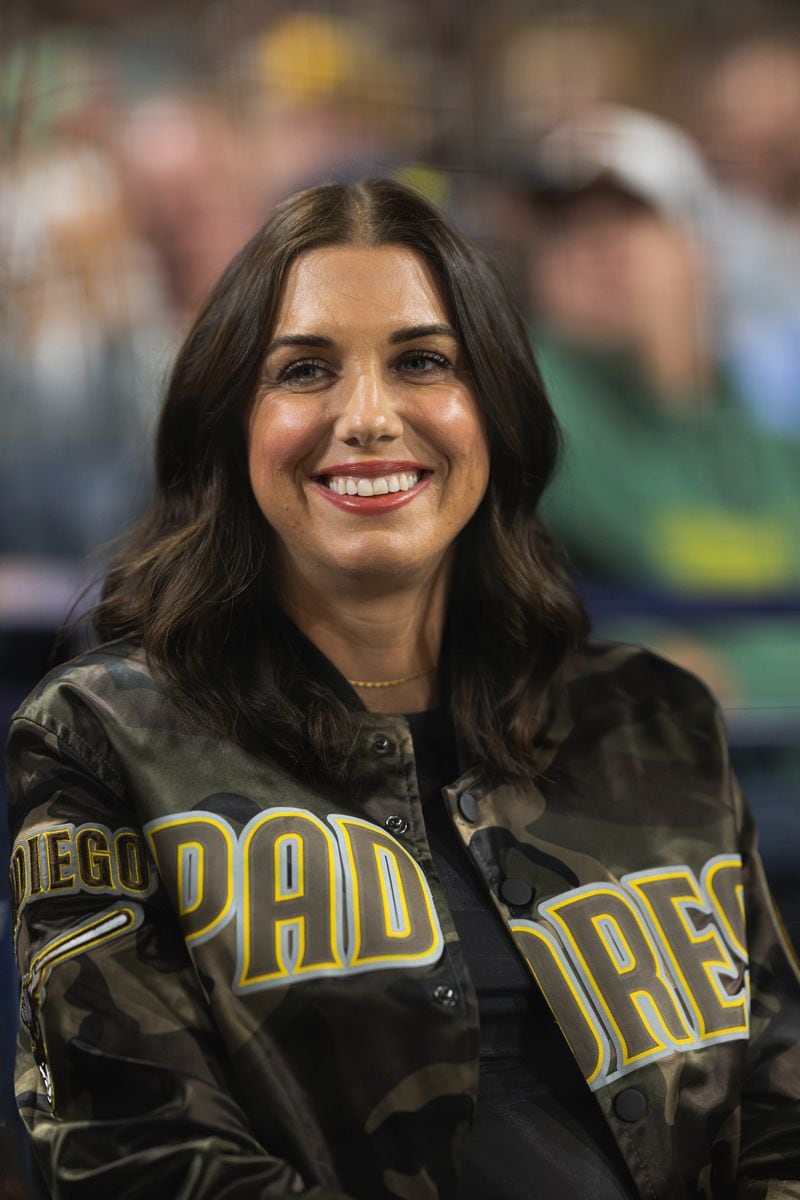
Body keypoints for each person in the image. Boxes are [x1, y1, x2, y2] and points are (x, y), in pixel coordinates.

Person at [5, 179, 800, 1200]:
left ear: (496, 408)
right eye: (303, 370)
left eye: (422, 361)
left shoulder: (654, 719)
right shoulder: (105, 737)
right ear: (230, 424)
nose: (368, 416)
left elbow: (778, 1111)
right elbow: (130, 1154)